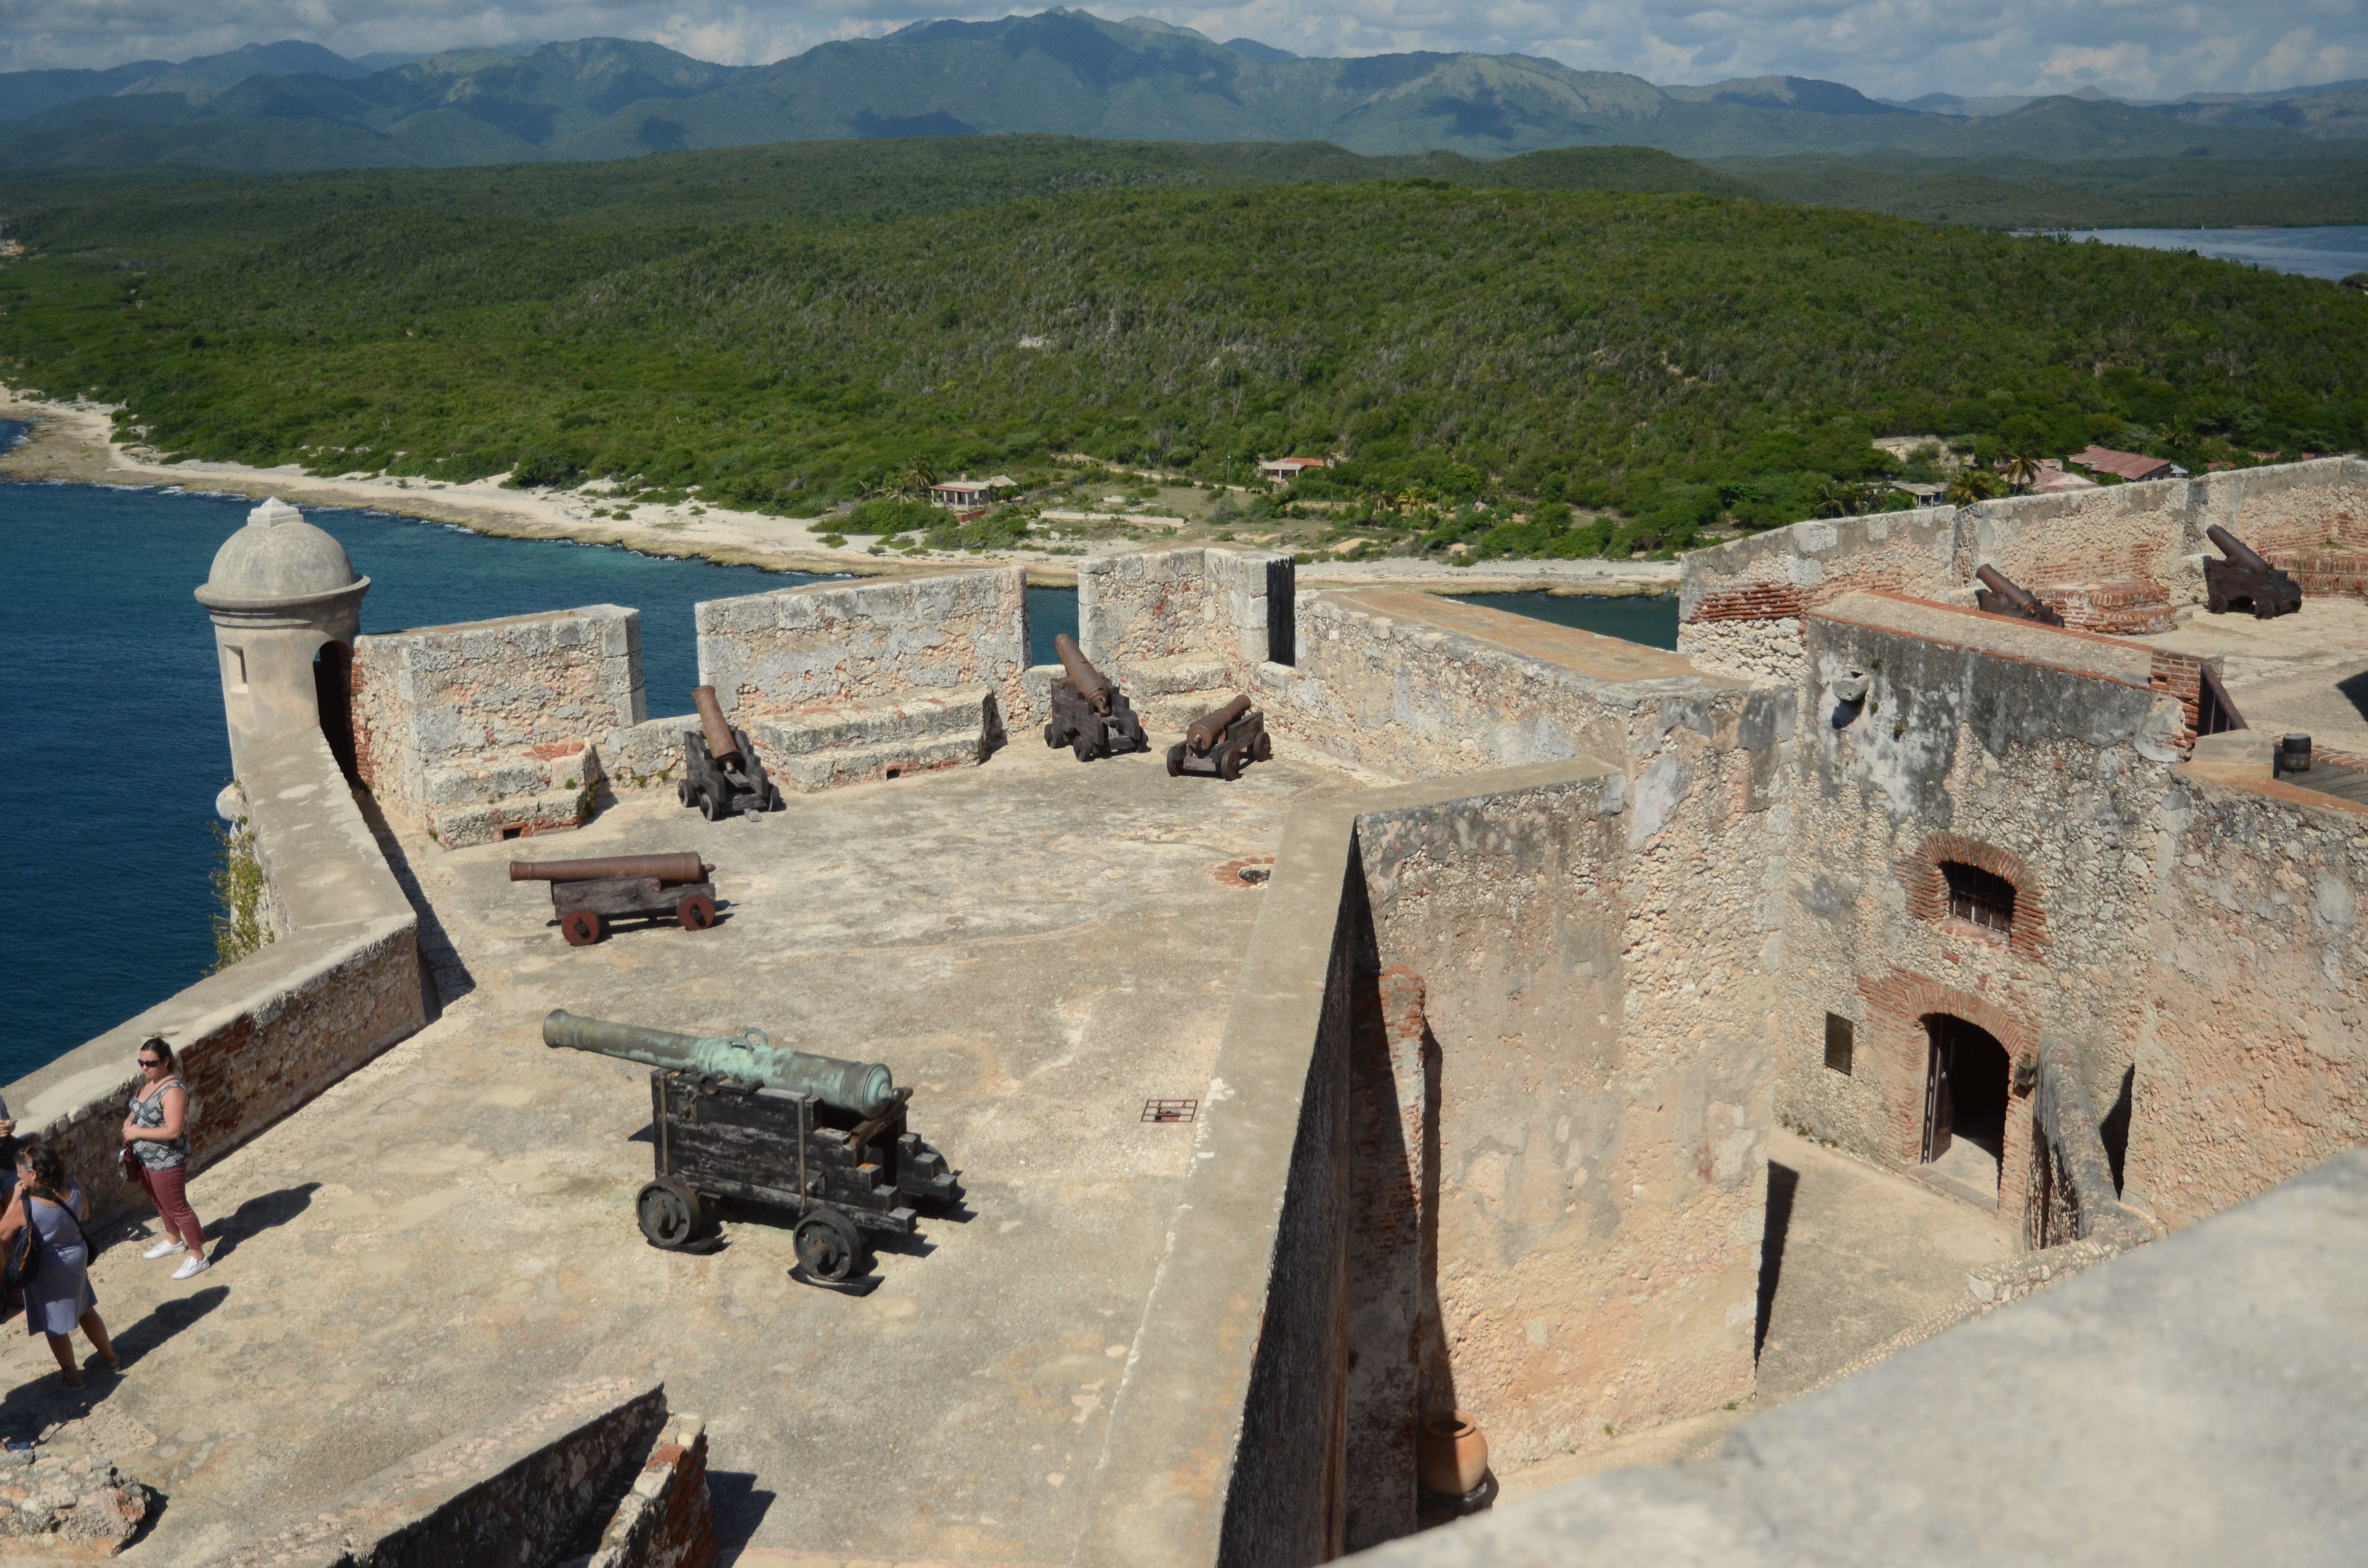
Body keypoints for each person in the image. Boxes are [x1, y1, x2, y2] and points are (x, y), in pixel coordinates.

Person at [0, 1140, 117, 1387]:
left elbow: (2, 1234)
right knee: (86, 1308)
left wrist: (14, 1201)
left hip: (47, 1269)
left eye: (20, 1172)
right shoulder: (74, 1189)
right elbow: (83, 1216)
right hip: (76, 1257)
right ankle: (111, 1358)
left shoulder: (27, 1206)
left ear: (33, 1174)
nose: (18, 1176)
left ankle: (72, 1377)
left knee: (54, 1326)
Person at [123, 1038, 208, 1279]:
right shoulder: (149, 1082)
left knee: (178, 1206)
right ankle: (174, 1240)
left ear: (166, 1061)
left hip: (168, 1159)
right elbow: (138, 1107)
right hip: (146, 1158)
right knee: (158, 1202)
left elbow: (174, 1130)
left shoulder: (173, 1091)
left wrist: (137, 1132)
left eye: (151, 1063)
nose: (145, 1068)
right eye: (142, 1063)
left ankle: (198, 1256)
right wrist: (129, 1121)